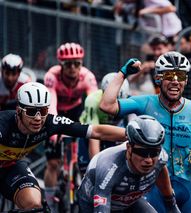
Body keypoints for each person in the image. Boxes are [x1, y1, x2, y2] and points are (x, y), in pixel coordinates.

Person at [99, 51, 191, 213]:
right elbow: (107, 106)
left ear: (186, 80)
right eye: (169, 75)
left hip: (187, 186)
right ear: (158, 78)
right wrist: (122, 74)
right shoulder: (146, 103)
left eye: (180, 76)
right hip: (153, 185)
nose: (175, 81)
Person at [0, 82, 126, 211]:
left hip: (11, 166)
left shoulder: (49, 123)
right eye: (32, 112)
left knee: (35, 206)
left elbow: (96, 131)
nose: (38, 118)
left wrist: (131, 134)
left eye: (43, 111)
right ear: (18, 111)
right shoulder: (3, 123)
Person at [78, 115, 181, 213]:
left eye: (154, 153)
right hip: (93, 202)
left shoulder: (161, 157)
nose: (149, 160)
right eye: (142, 153)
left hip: (127, 200)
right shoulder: (108, 166)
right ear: (129, 148)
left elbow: (161, 169)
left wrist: (171, 205)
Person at [43, 42, 98, 211]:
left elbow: (93, 104)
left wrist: (92, 130)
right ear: (61, 65)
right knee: (53, 162)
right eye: (68, 64)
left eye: (77, 63)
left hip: (76, 110)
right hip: (56, 109)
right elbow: (51, 104)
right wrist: (53, 133)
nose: (73, 68)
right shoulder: (52, 76)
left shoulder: (87, 77)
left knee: (85, 153)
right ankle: (50, 201)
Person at [79, 72, 131, 162]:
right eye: (110, 102)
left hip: (113, 129)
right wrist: (94, 167)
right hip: (92, 129)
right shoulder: (93, 101)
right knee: (87, 167)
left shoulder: (131, 100)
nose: (113, 109)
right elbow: (93, 135)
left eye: (118, 104)